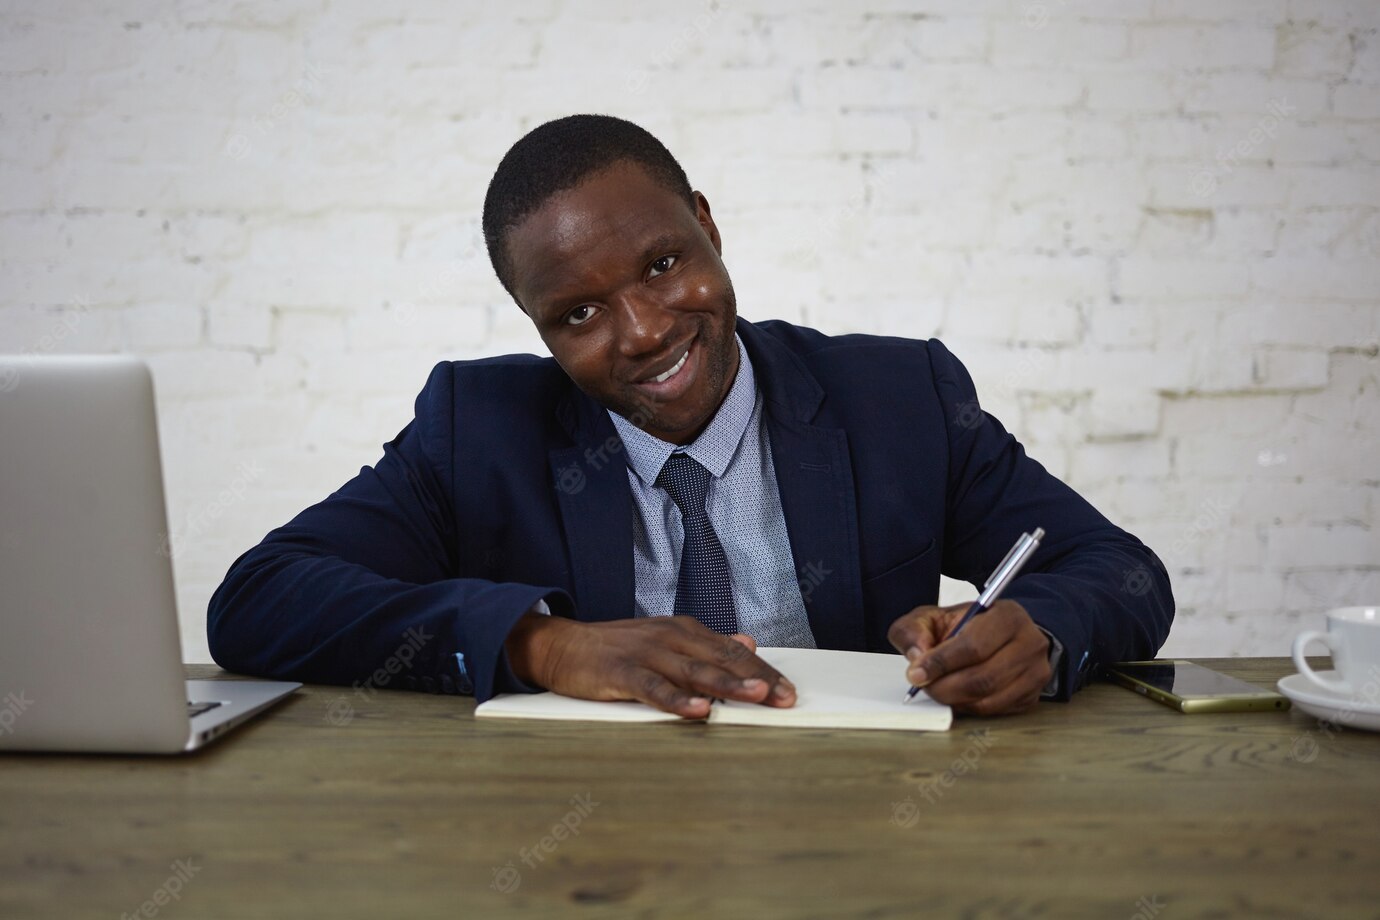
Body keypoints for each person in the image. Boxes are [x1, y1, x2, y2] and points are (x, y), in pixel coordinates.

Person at [208, 114, 1173, 718]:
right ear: (536, 329)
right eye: (578, 314)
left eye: (663, 264)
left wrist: (1037, 635)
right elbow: (258, 600)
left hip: (862, 830)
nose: (642, 331)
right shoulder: (478, 426)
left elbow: (1123, 571)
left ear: (707, 225)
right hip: (584, 845)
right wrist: (545, 645)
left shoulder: (898, 399)